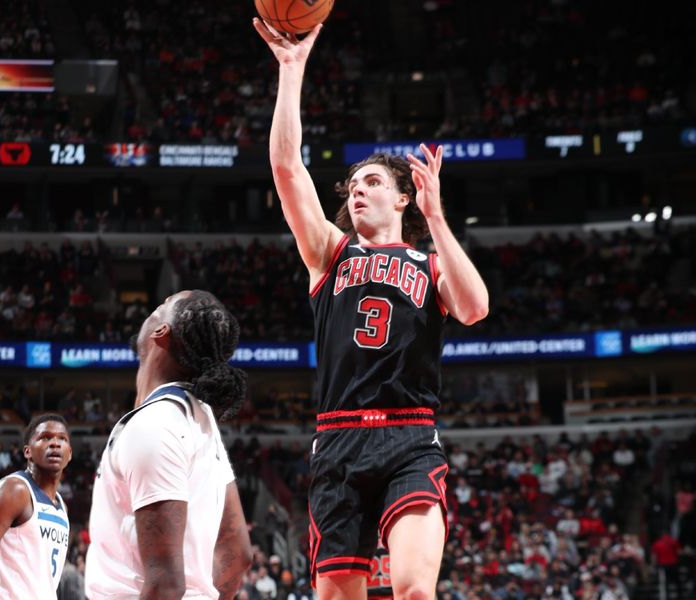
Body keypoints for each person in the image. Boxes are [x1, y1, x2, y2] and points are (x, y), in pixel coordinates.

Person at [253, 19, 489, 600]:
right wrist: (291, 71)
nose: (356, 189)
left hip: (410, 436)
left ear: (402, 197)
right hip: (338, 438)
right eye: (352, 184)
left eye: (372, 181)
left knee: (412, 589)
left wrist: (436, 218)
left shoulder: (429, 263)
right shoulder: (329, 255)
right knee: (336, 595)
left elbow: (476, 308)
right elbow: (286, 168)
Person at [85, 290, 253, 599]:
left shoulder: (154, 425)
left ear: (162, 333)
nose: (157, 305)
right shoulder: (200, 422)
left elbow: (165, 584)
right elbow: (238, 552)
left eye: (163, 305)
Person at [0, 414, 73, 600]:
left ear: (70, 454)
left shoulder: (62, 507)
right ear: (27, 451)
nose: (55, 443)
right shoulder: (14, 491)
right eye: (45, 437)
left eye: (62, 439)